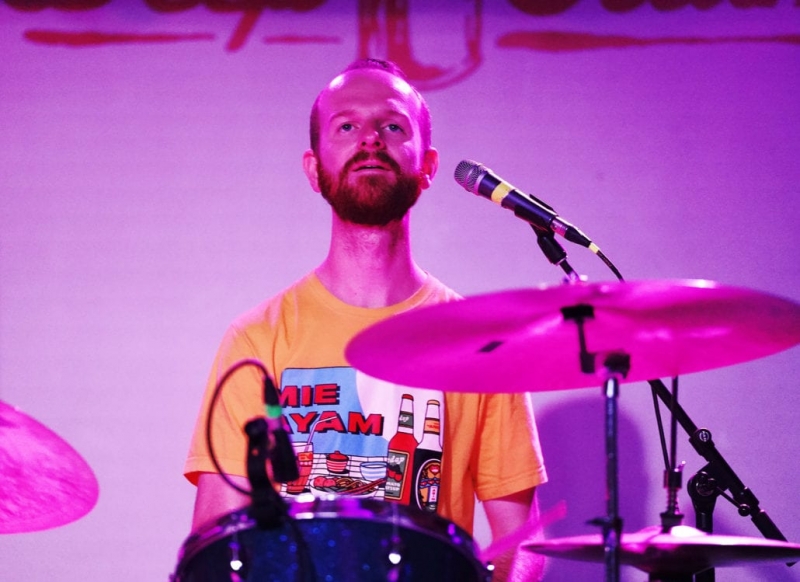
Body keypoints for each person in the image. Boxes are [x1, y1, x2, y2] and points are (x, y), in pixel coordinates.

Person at [183, 58, 547, 581]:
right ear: (314, 170)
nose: (370, 139)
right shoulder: (258, 338)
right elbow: (217, 544)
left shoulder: (480, 344)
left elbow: (521, 542)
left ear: (428, 165)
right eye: (347, 126)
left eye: (393, 126)